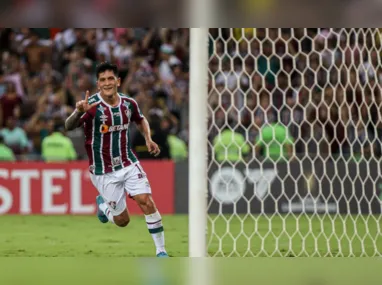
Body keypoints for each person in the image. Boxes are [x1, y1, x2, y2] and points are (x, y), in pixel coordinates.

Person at [64, 62, 168, 257]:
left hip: (128, 162)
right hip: (104, 171)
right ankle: (103, 205)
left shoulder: (129, 103)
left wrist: (148, 139)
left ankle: (161, 251)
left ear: (118, 81)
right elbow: (68, 126)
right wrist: (78, 111)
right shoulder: (91, 105)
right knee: (122, 221)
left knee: (146, 201)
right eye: (102, 80)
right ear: (98, 84)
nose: (107, 83)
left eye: (111, 78)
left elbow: (140, 119)